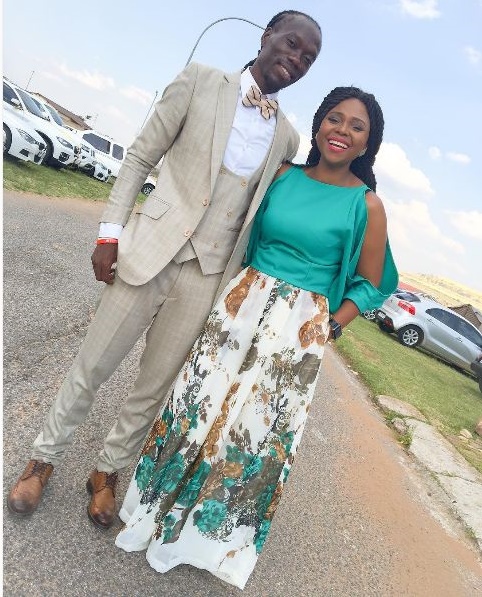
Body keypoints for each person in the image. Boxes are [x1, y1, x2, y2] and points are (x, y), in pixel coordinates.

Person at [7, 11, 322, 528]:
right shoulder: (199, 80)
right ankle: (43, 458)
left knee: (153, 387)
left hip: (208, 275)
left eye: (308, 58)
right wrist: (109, 233)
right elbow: (139, 158)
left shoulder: (286, 138)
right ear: (266, 36)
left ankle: (107, 471)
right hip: (148, 250)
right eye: (292, 44)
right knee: (92, 366)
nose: (297, 59)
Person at [114, 86, 399, 589]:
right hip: (240, 305)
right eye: (335, 118)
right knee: (196, 405)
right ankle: (154, 507)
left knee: (251, 431)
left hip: (298, 330)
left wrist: (332, 324)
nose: (342, 131)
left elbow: (375, 283)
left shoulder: (367, 205)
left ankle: (204, 539)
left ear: (367, 144)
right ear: (319, 123)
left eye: (357, 127)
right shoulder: (283, 176)